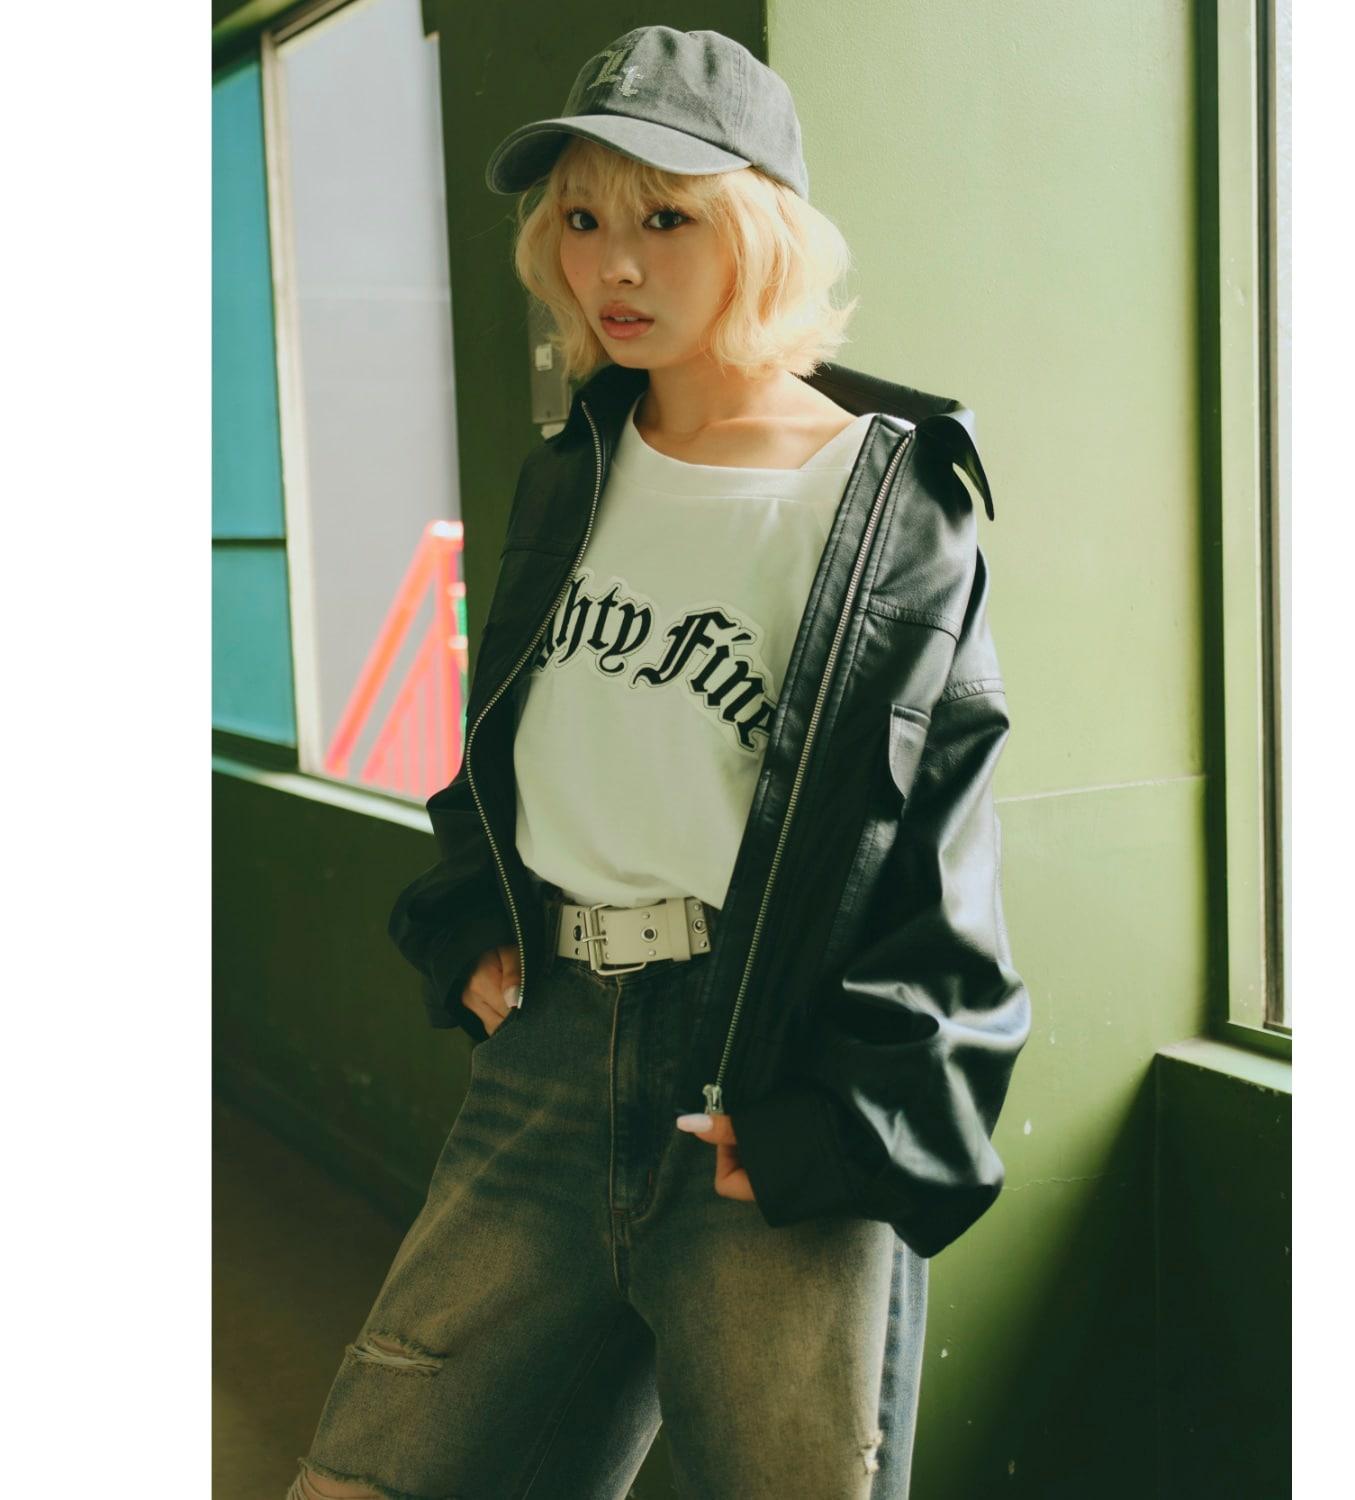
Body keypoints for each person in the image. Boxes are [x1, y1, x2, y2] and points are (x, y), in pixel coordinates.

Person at [287, 25, 1029, 1500]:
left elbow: (941, 849)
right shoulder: (575, 463)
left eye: (666, 219)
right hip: (548, 1055)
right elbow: (512, 741)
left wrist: (843, 1120)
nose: (612, 265)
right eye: (581, 219)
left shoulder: (884, 503)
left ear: (760, 233)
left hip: (765, 1069)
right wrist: (471, 915)